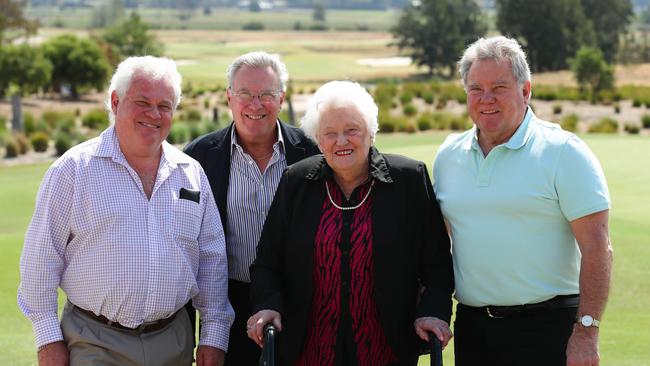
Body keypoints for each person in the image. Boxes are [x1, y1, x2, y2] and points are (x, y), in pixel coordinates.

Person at [18, 56, 234, 366]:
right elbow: (40, 262)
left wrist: (214, 337)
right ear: (116, 101)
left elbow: (212, 262)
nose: (154, 114)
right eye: (143, 102)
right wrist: (48, 341)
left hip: (174, 341)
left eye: (164, 105)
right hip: (95, 340)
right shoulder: (72, 170)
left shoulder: (191, 173)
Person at [433, 36, 613, 366]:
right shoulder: (448, 156)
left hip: (548, 330)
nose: (486, 98)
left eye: (499, 87)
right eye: (476, 89)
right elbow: (436, 246)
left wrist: (587, 332)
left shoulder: (564, 152)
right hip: (473, 328)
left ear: (525, 90)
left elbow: (598, 247)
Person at [247, 80, 454, 366]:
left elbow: (438, 264)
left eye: (352, 130)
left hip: (385, 353)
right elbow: (268, 262)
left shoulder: (408, 180)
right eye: (330, 133)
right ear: (318, 140)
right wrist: (267, 304)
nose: (341, 141)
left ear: (372, 132)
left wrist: (433, 310)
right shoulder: (296, 182)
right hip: (308, 354)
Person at [184, 51, 319, 365]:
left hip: (303, 307)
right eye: (245, 93)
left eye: (266, 95)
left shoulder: (312, 152)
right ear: (229, 97)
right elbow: (184, 245)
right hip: (228, 309)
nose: (255, 105)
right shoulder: (198, 158)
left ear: (282, 98)